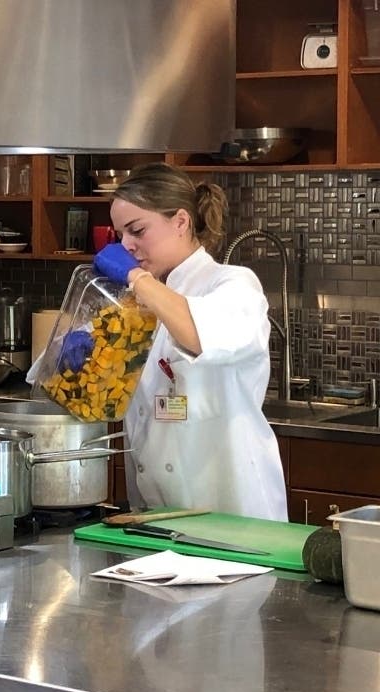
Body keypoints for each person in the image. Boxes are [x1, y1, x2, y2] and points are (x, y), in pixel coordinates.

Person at [89, 162, 286, 521]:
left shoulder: (233, 284)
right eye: (120, 235)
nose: (127, 245)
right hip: (156, 514)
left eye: (137, 230)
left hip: (232, 512)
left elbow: (198, 334)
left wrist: (135, 277)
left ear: (180, 222)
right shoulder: (136, 300)